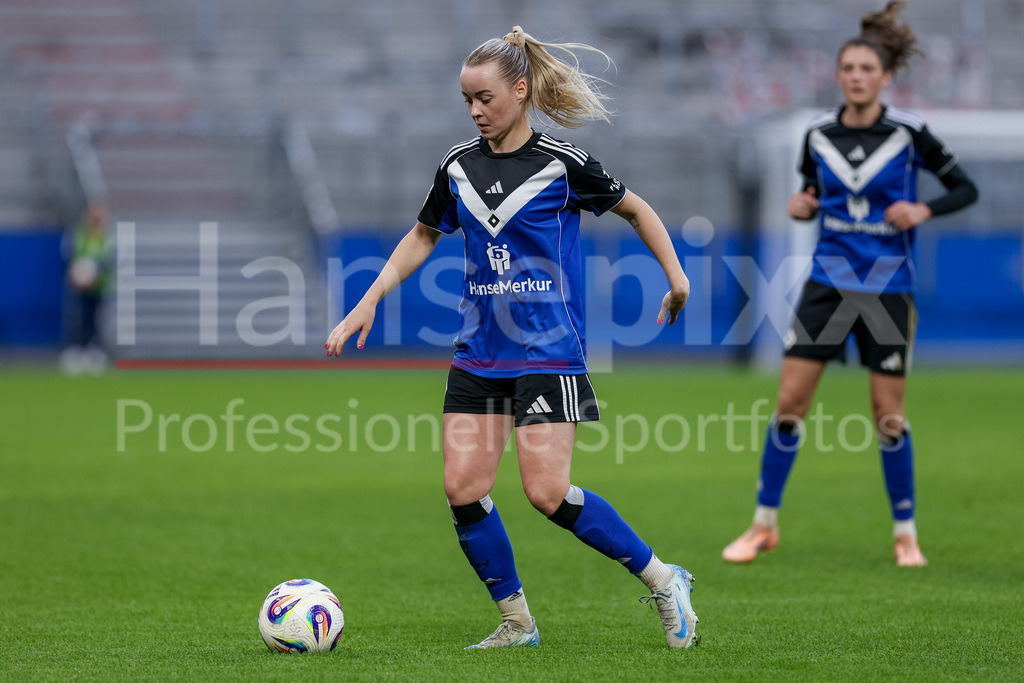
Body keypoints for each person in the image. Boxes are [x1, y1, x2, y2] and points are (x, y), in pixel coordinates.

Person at [326, 27, 699, 649]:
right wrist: (368, 301)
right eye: (467, 99)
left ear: (521, 91)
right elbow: (422, 235)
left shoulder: (562, 162)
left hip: (549, 351)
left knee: (546, 493)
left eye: (485, 98)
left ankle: (664, 580)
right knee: (463, 488)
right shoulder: (458, 166)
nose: (475, 110)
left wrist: (677, 278)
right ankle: (517, 621)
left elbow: (637, 209)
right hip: (479, 351)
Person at [722, 1, 978, 567]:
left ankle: (905, 531)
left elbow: (965, 189)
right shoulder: (817, 135)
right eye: (849, 69)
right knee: (789, 404)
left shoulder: (910, 134)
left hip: (888, 289)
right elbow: (809, 194)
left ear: (886, 77)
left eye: (867, 69)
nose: (857, 77)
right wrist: (800, 204)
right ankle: (763, 524)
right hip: (828, 286)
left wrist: (922, 210)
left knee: (888, 415)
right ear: (839, 75)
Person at [60, 199, 113, 375]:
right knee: (77, 318)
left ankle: (95, 352)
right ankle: (75, 351)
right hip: (79, 285)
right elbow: (69, 254)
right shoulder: (79, 232)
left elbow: (111, 259)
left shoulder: (109, 234)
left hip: (101, 286)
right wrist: (76, 275)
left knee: (97, 318)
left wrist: (96, 275)